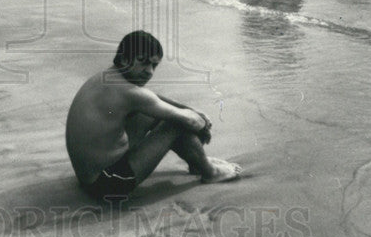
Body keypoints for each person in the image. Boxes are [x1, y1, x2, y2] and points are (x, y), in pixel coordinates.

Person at [65, 31, 240, 201]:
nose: (149, 71)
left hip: (89, 179)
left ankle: (196, 162)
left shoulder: (107, 78)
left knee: (156, 114)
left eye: (154, 65)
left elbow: (149, 99)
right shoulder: (130, 93)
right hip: (108, 185)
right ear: (125, 58)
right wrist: (202, 125)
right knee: (174, 123)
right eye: (143, 62)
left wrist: (188, 108)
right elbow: (189, 121)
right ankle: (210, 172)